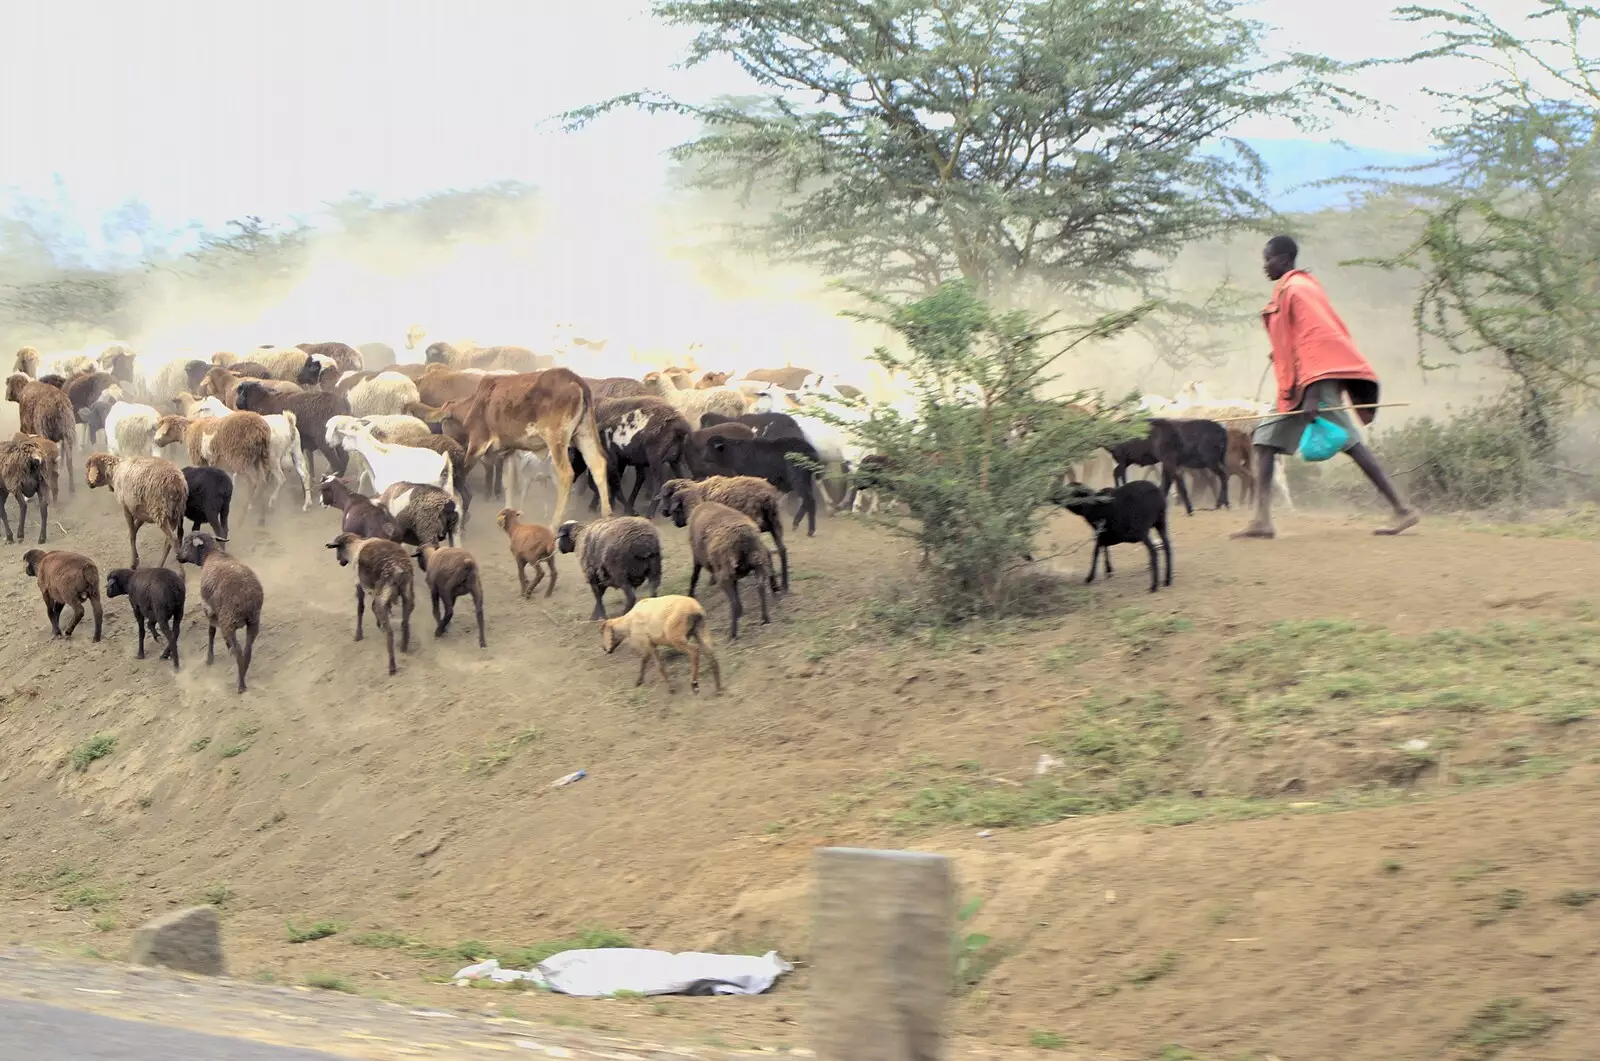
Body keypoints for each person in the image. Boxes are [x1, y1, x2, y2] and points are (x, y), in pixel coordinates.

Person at [1232, 235, 1419, 539]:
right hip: (1297, 383)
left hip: (1313, 382)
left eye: (1268, 259)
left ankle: (1402, 509)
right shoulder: (1295, 288)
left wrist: (1314, 392)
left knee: (1352, 445)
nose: (1264, 266)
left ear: (1283, 258)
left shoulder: (1296, 289)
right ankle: (1262, 520)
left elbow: (1316, 339)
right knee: (1264, 441)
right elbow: (1297, 337)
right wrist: (1280, 354)